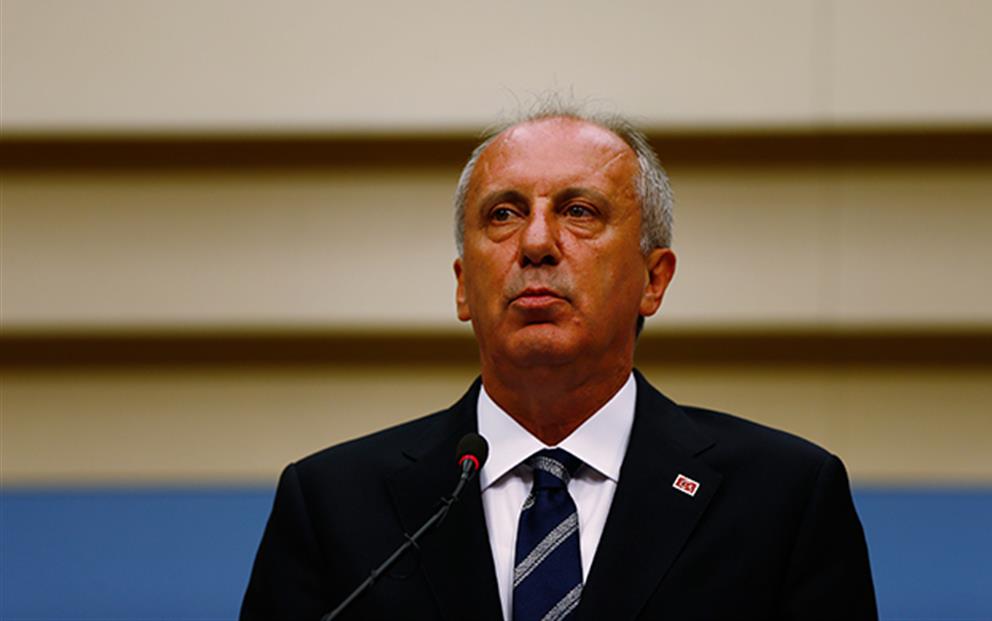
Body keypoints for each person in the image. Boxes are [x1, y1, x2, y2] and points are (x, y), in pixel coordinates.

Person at [240, 105, 878, 620]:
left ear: (654, 279)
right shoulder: (333, 506)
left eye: (579, 211)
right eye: (504, 214)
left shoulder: (783, 500)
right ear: (463, 287)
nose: (537, 242)